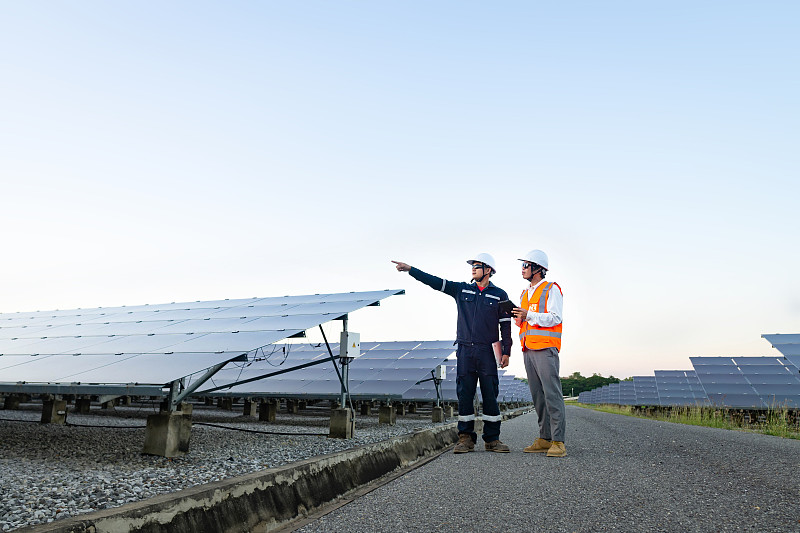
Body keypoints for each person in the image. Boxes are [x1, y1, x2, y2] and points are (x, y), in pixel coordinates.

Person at [392, 254, 513, 453]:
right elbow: (435, 282)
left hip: (488, 352)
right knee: (464, 393)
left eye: (477, 266)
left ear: (489, 270)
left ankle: (492, 440)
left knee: (490, 394)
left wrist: (506, 351)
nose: (473, 269)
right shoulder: (461, 289)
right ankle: (465, 438)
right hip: (465, 350)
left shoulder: (499, 294)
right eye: (472, 266)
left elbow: (505, 326)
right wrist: (410, 269)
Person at [511, 249, 567, 458]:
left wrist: (529, 314)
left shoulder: (552, 289)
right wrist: (518, 316)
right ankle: (545, 438)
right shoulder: (524, 293)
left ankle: (558, 441)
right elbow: (525, 320)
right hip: (528, 347)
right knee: (538, 396)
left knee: (552, 394)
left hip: (545, 347)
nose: (523, 269)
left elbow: (555, 317)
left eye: (526, 265)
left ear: (538, 269)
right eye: (522, 265)